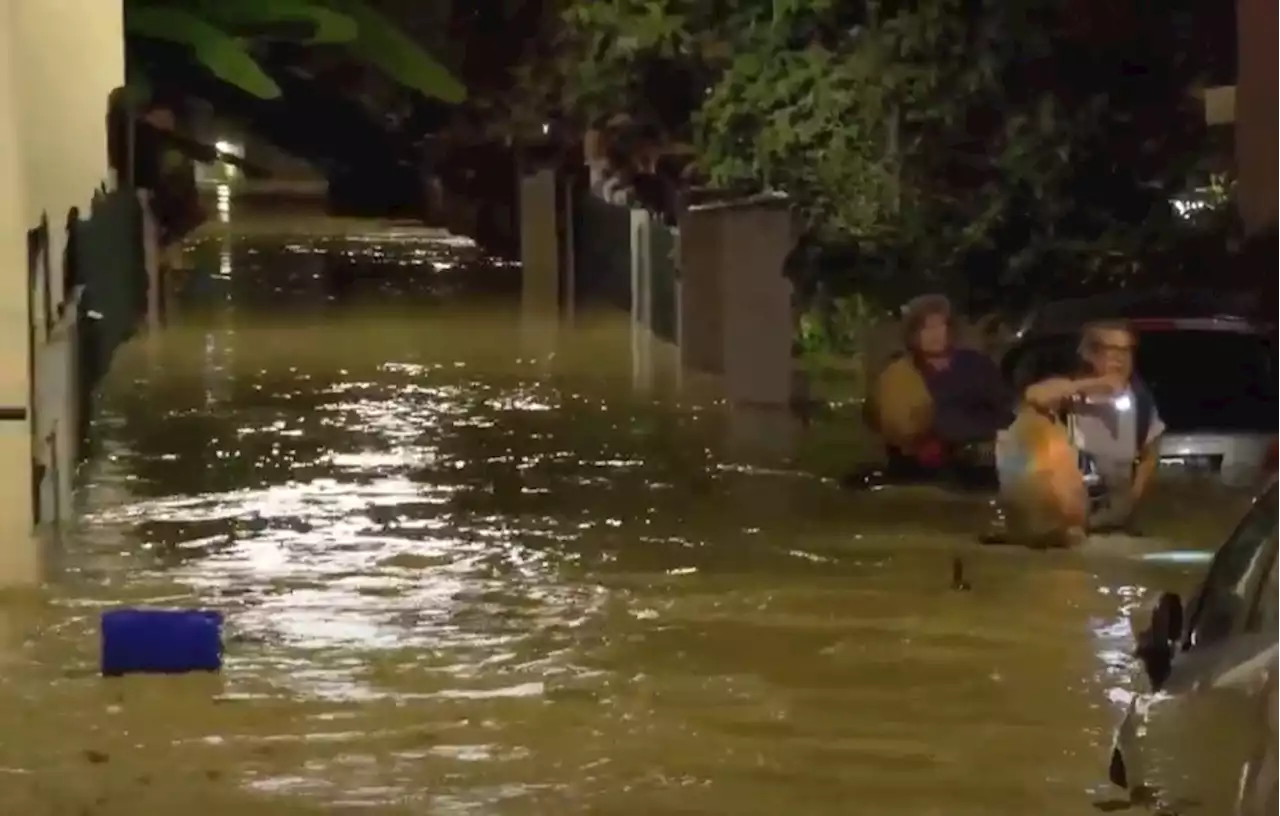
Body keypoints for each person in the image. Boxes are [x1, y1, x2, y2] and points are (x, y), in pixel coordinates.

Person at [1022, 319, 1164, 531]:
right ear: (1090, 354)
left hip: (1116, 523)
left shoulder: (1140, 400)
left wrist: (1132, 499)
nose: (1120, 358)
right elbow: (1034, 397)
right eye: (1111, 350)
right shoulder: (1070, 396)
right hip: (1069, 524)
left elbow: (1149, 455)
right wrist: (1096, 385)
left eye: (1126, 350)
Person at [859, 294, 1012, 486]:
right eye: (927, 328)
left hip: (977, 456)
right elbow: (878, 418)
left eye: (941, 326)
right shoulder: (899, 374)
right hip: (921, 463)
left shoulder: (977, 365)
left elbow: (1005, 411)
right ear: (913, 333)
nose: (935, 334)